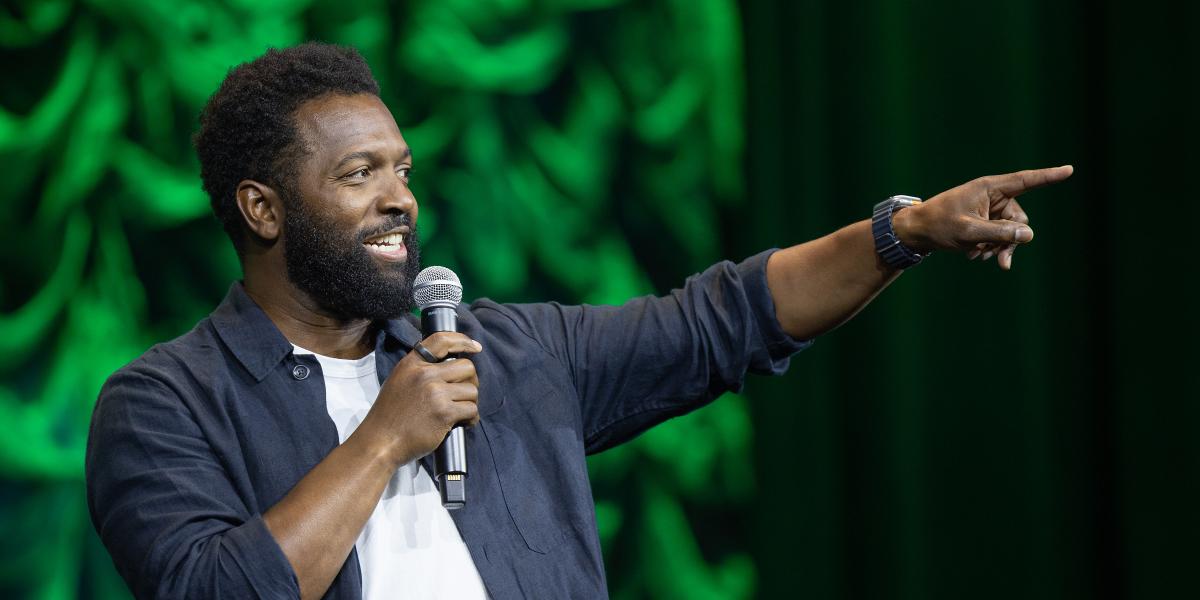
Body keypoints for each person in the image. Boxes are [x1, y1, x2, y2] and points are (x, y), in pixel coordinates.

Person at [84, 42, 1072, 599]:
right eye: (357, 176)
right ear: (261, 209)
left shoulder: (503, 353)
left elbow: (721, 318)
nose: (399, 201)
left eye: (403, 172)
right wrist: (385, 441)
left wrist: (902, 232)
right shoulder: (165, 404)